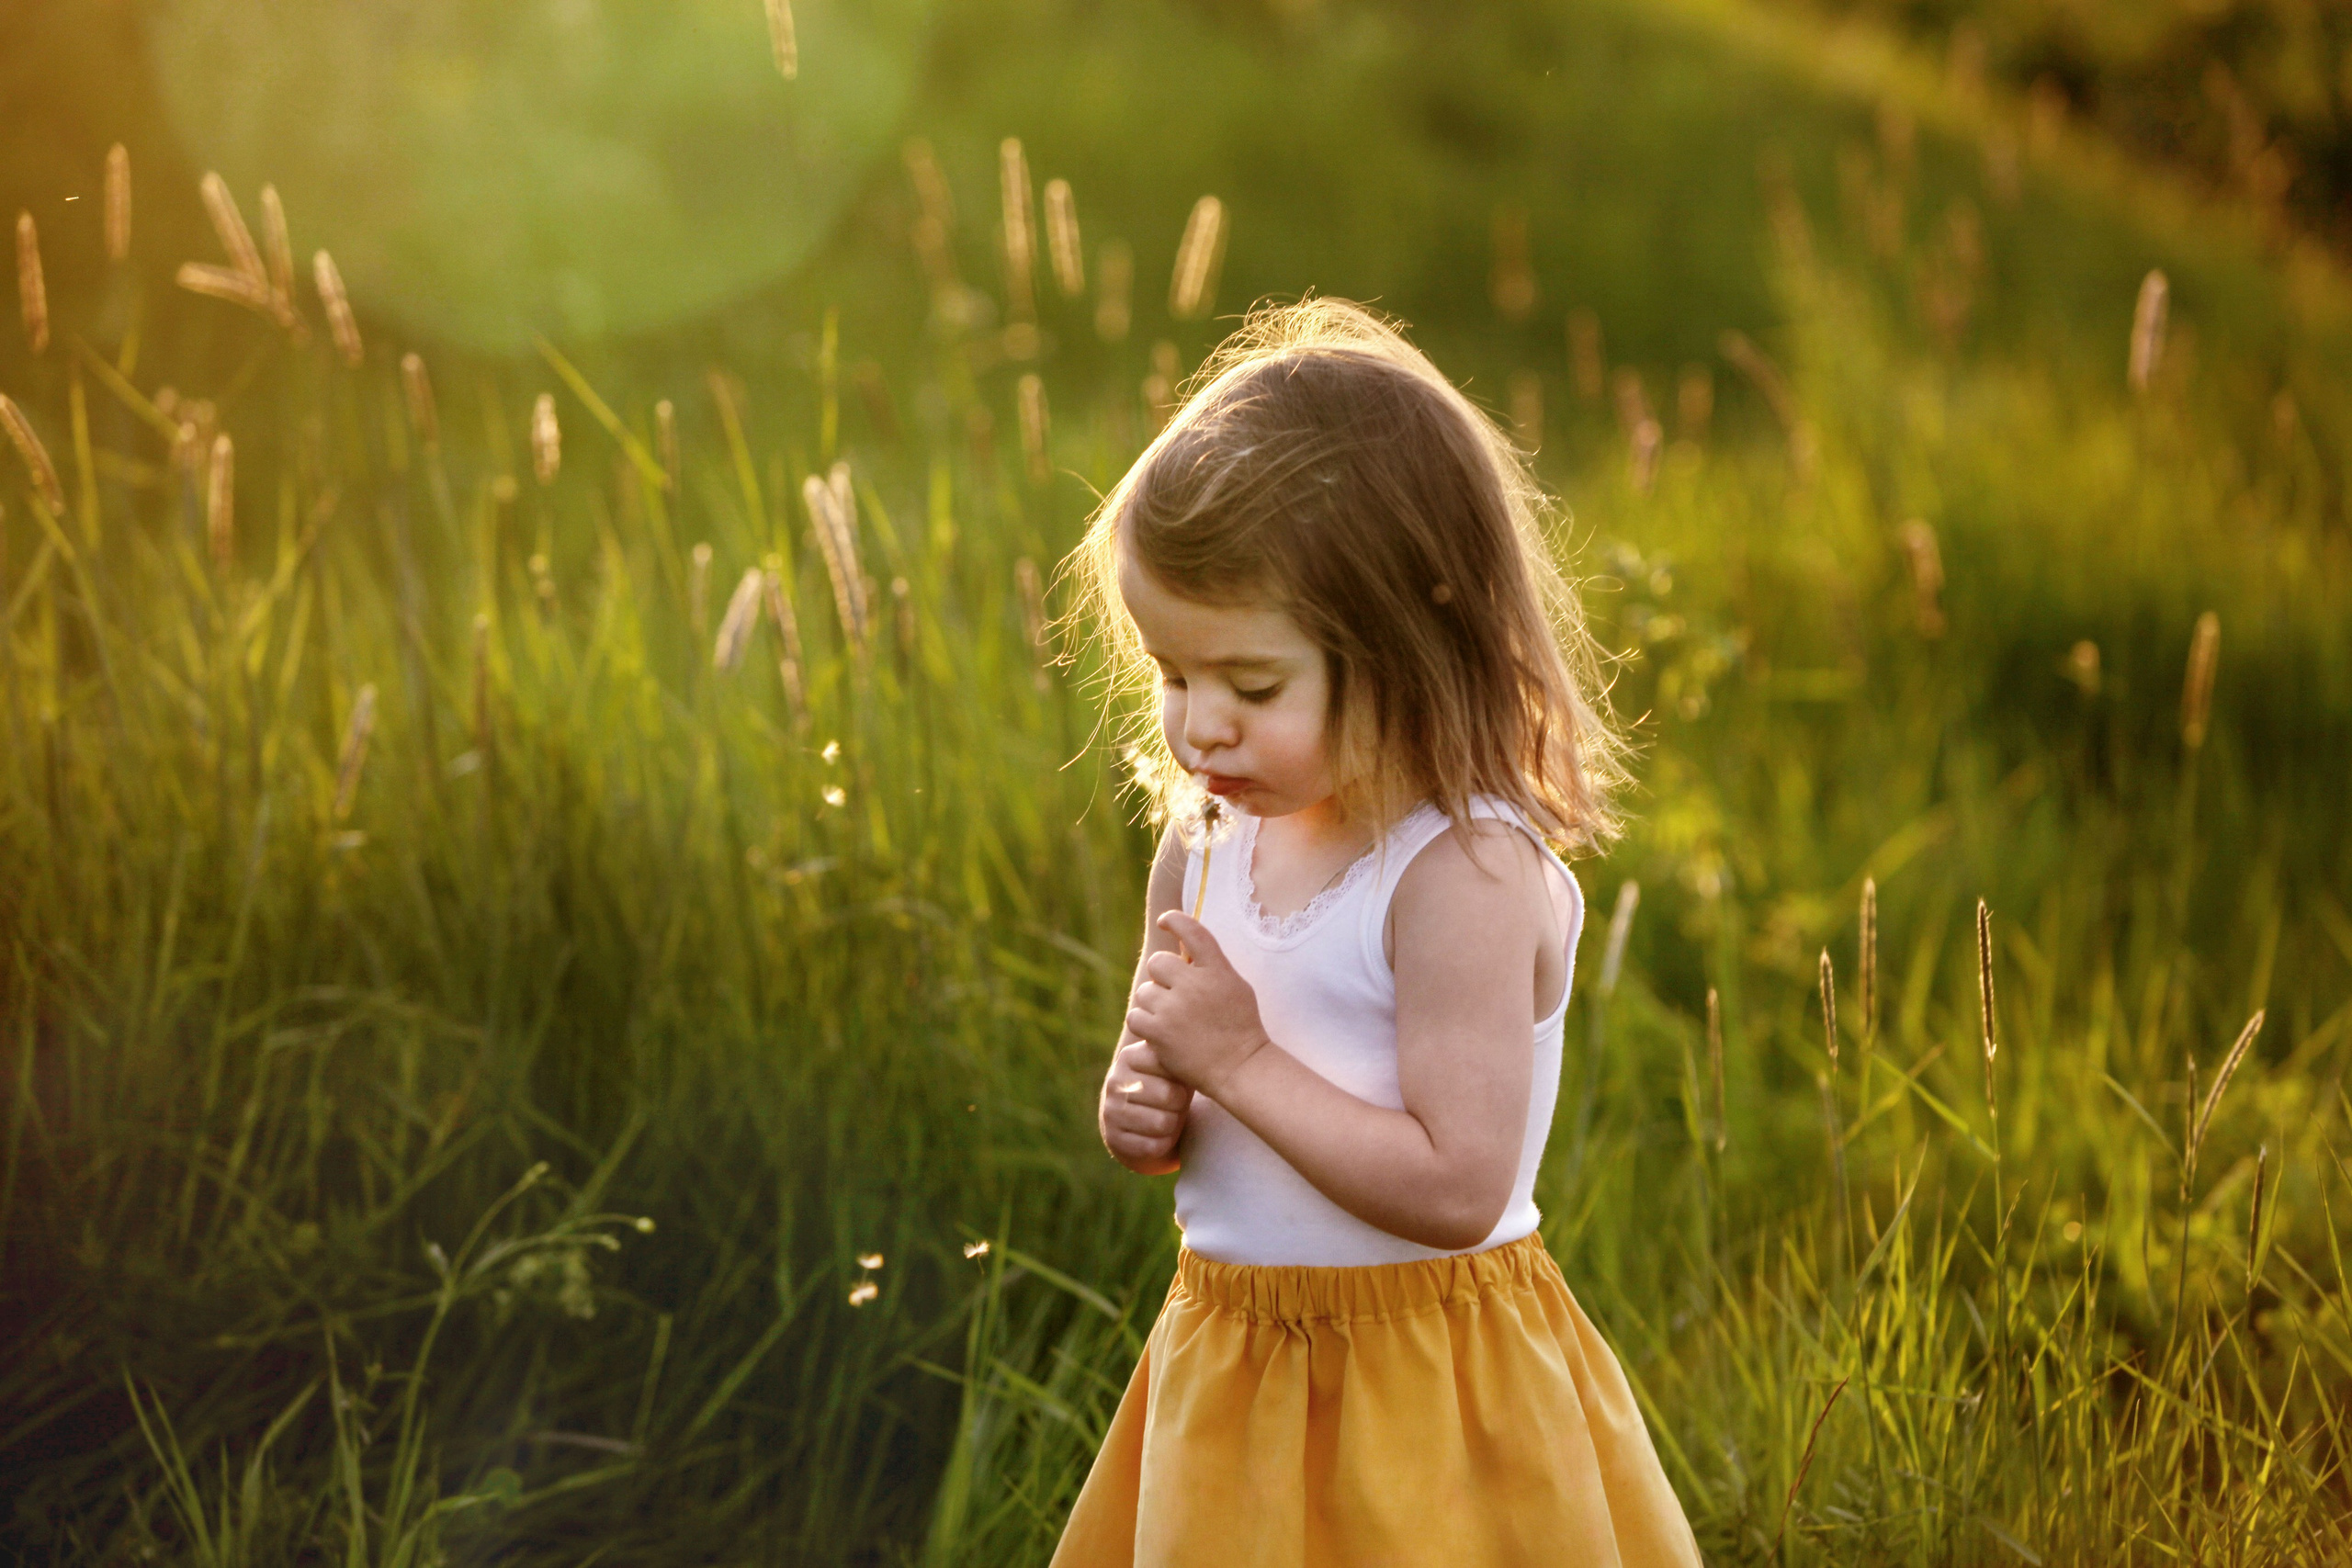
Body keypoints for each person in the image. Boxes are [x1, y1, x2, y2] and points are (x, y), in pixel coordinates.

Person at [1048, 298, 1704, 1567]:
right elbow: (1165, 1082)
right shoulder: (1203, 842)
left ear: (1407, 648)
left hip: (1424, 1383)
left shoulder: (1458, 872)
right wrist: (1144, 1105)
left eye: (1250, 685)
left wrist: (1236, 1062)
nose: (1200, 730)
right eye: (1173, 676)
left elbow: (1459, 1187)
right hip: (1231, 1356)